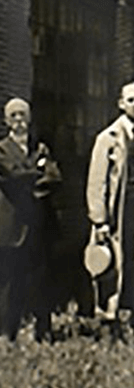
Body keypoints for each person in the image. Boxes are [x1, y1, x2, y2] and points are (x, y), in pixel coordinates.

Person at [86, 82, 134, 335]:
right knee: (113, 266)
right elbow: (96, 182)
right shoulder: (107, 138)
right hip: (115, 215)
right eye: (130, 100)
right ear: (121, 103)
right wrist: (99, 219)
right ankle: (110, 321)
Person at [0, 98, 61, 341]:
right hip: (12, 227)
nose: (18, 121)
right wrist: (38, 172)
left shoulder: (41, 148)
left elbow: (55, 178)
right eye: (13, 116)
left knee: (41, 279)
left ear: (29, 118)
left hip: (39, 225)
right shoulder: (2, 149)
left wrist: (33, 180)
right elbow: (11, 178)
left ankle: (43, 332)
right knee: (10, 281)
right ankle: (7, 332)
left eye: (22, 115)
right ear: (6, 121)